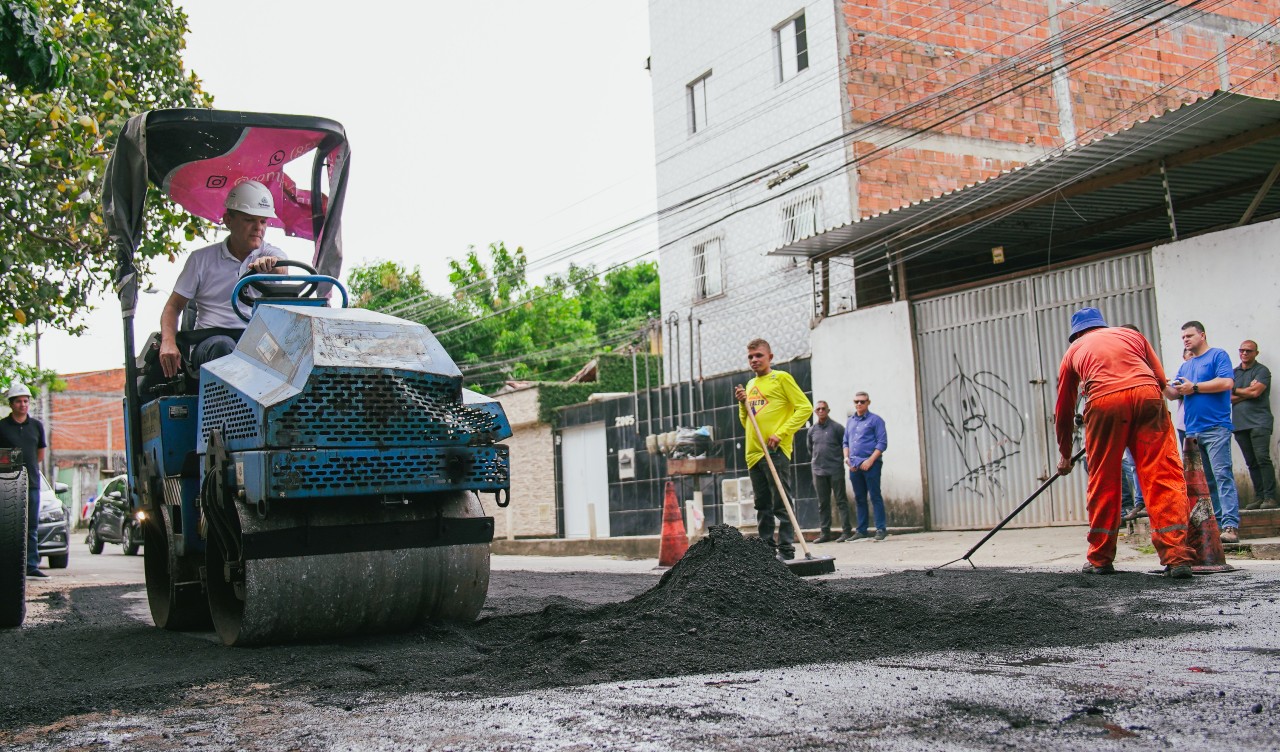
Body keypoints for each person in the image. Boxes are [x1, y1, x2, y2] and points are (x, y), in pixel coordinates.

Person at [1054, 307, 1193, 578]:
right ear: (1103, 326)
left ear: (1076, 334)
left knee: (1104, 479)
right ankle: (1177, 558)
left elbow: (1064, 410)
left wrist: (1065, 455)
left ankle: (1100, 559)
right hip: (1148, 396)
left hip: (1104, 403)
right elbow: (1160, 379)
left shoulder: (1073, 351)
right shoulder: (1132, 336)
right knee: (1162, 476)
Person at [158, 180, 285, 379]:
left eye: (263, 221)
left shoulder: (270, 254)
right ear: (228, 220)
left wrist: (272, 265)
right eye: (249, 220)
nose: (258, 228)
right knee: (224, 347)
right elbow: (173, 307)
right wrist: (168, 342)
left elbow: (282, 268)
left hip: (255, 343)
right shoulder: (200, 260)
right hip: (211, 343)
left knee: (287, 358)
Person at [735, 339, 812, 560]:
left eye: (759, 355)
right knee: (762, 505)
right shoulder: (750, 385)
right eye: (750, 357)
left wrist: (781, 433)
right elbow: (746, 422)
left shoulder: (781, 378)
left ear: (770, 357)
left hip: (775, 451)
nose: (754, 360)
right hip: (753, 453)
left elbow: (805, 408)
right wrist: (742, 403)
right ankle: (766, 551)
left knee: (781, 501)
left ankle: (786, 549)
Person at [1166, 321, 1240, 544]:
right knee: (1207, 482)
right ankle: (1217, 525)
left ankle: (1231, 525)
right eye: (1183, 337)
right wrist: (1157, 380)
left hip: (1216, 427)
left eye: (1189, 336)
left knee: (1222, 475)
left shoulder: (1218, 355)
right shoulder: (1185, 367)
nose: (1186, 340)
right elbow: (1174, 394)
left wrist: (1195, 387)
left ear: (1202, 335)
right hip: (1192, 431)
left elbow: (1227, 382)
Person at [0, 383, 48, 578]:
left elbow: (40, 454)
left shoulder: (36, 426)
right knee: (7, 527)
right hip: (6, 485)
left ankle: (31, 565)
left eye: (26, 401)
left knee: (31, 527)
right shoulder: (2, 427)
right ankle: (8, 566)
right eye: (19, 401)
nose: (23, 404)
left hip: (32, 484)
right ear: (11, 404)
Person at [1232, 339, 1276, 510]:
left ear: (1256, 353)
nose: (1244, 353)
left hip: (1259, 421)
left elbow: (1256, 392)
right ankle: (1259, 497)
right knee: (1251, 462)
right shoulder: (1233, 373)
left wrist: (1236, 390)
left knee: (1262, 459)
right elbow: (1226, 398)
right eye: (1241, 350)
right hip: (1239, 424)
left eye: (1248, 351)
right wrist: (1247, 392)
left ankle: (1270, 497)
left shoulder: (1262, 371)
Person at [843, 391, 889, 541]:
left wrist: (870, 461)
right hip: (854, 466)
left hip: (872, 465)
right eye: (856, 401)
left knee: (875, 496)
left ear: (868, 402)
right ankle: (861, 530)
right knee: (859, 498)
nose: (859, 404)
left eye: (862, 401)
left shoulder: (876, 420)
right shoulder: (850, 421)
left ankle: (880, 529)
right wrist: (847, 459)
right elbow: (845, 442)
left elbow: (882, 443)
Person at [807, 400, 853, 542]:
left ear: (828, 410)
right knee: (823, 503)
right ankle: (825, 533)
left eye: (823, 409)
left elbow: (845, 445)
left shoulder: (837, 428)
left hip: (835, 470)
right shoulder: (812, 430)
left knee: (841, 501)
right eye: (818, 409)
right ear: (815, 412)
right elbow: (810, 449)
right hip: (818, 471)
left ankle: (846, 532)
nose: (821, 411)